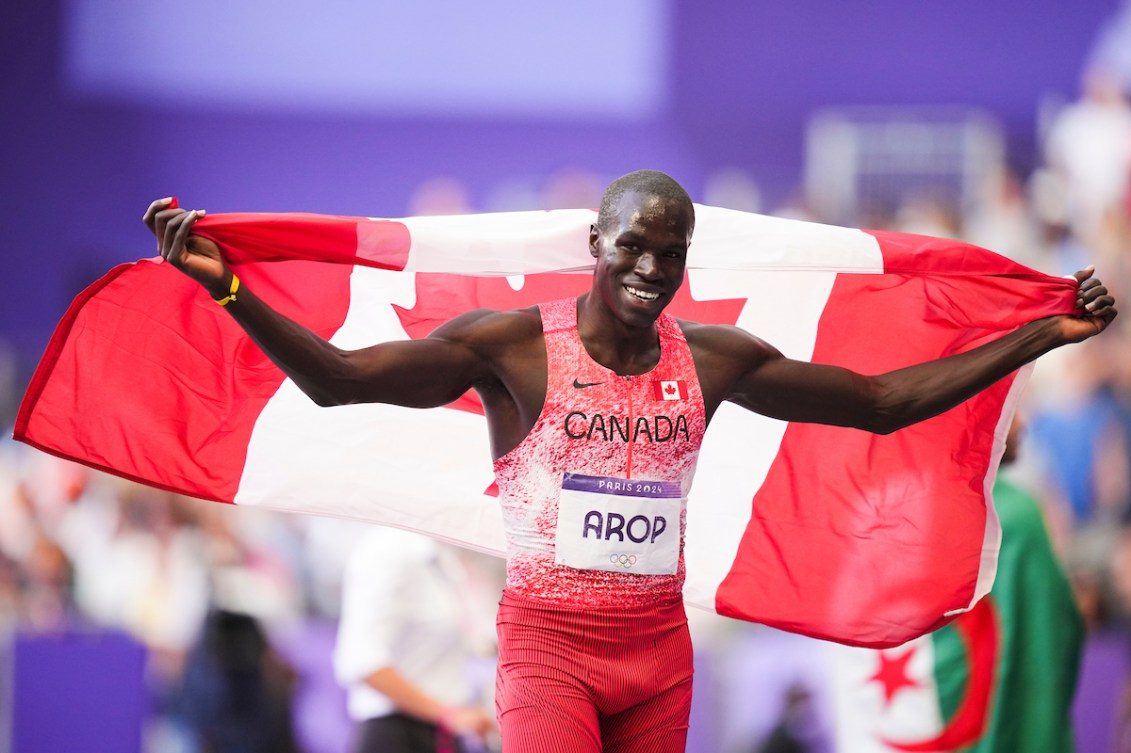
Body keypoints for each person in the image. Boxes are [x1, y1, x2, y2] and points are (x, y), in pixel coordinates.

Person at [143, 169, 1117, 753]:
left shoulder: (714, 358)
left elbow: (878, 403)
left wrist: (1042, 335)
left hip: (658, 658)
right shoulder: (514, 349)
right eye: (636, 250)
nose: (653, 273)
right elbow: (341, 380)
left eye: (673, 254)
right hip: (549, 649)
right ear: (596, 244)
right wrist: (232, 290)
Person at [334, 525, 495, 753]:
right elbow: (361, 660)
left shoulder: (438, 552)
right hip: (399, 733)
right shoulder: (389, 550)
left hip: (437, 732)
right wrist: (448, 714)